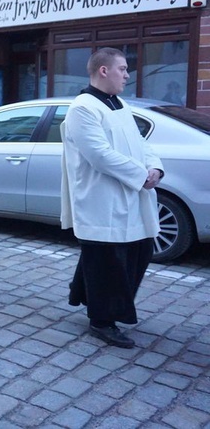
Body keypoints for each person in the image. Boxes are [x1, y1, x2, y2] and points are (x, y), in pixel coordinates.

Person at [62, 47, 164, 349]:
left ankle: (84, 295)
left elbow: (139, 142)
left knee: (134, 252)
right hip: (102, 198)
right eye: (122, 69)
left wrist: (155, 166)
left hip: (129, 194)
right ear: (103, 71)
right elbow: (100, 156)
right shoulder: (83, 108)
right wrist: (140, 175)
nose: (127, 75)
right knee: (107, 259)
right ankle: (102, 321)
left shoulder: (116, 103)